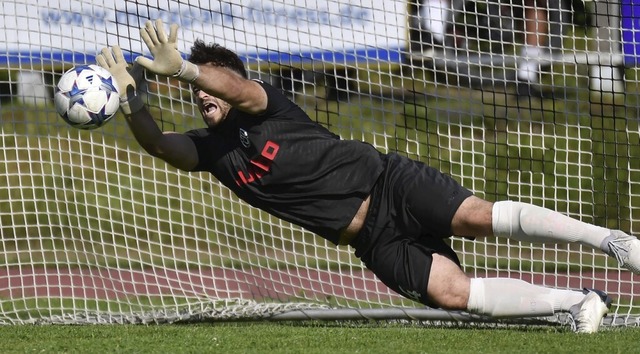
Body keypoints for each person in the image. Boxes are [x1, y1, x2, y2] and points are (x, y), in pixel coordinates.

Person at [97, 19, 640, 333]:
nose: (201, 96)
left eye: (209, 86)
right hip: (367, 238)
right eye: (195, 93)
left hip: (388, 183)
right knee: (452, 294)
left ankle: (613, 242)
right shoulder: (212, 151)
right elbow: (158, 145)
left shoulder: (265, 104)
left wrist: (190, 68)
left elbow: (236, 88)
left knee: (475, 218)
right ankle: (576, 302)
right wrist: (132, 103)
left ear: (230, 80)